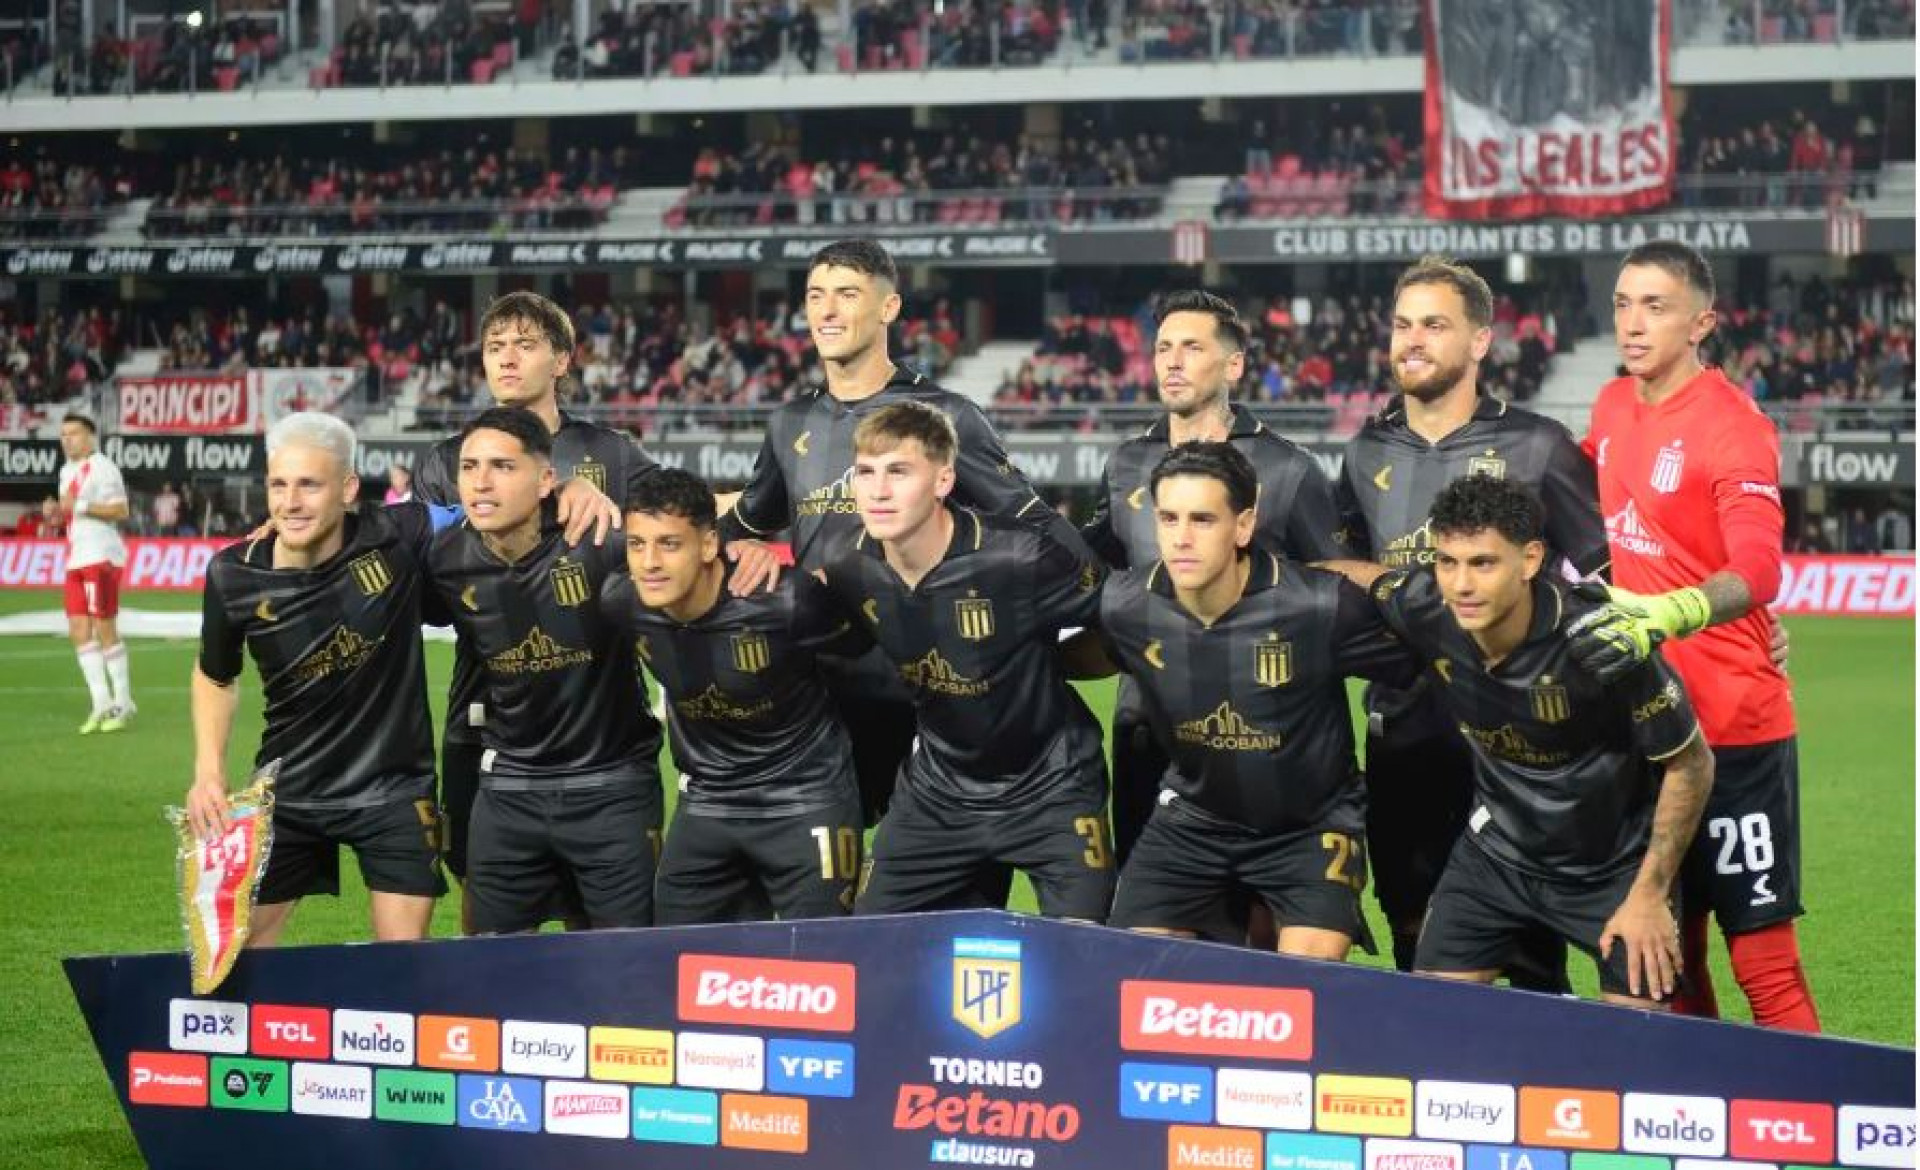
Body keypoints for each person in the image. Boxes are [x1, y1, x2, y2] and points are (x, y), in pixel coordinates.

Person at [722, 238, 1087, 832]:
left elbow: (1036, 528)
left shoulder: (945, 415)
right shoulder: (790, 421)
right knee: (834, 899)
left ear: (889, 308)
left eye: (847, 295)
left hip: (931, 697)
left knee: (925, 899)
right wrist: (729, 543)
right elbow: (744, 520)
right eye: (816, 296)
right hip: (825, 696)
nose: (827, 311)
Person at [1337, 474, 1714, 1008]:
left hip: (1611, 870)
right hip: (1495, 856)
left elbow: (1691, 764)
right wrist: (1265, 577)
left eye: (1483, 563)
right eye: (1447, 562)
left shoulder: (1600, 641)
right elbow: (1362, 576)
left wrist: (1649, 894)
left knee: (1637, 1057)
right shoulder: (1429, 605)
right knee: (1430, 1023)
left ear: (1531, 559)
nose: (1461, 585)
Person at [1569, 240, 1821, 1032]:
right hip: (1648, 728)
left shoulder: (1733, 426)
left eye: (1656, 306)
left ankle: (1813, 1132)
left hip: (1736, 725)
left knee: (1764, 962)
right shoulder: (1612, 407)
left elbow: (1759, 565)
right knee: (1667, 957)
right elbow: (1576, 506)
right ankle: (1704, 1126)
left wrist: (1671, 612)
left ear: (1701, 321)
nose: (1633, 323)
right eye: (1622, 303)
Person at [1336, 256, 1607, 985]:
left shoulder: (1539, 445)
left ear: (1481, 342)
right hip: (1403, 734)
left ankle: (1540, 1089)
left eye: (1434, 324)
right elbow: (1338, 582)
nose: (1411, 340)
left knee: (1528, 946)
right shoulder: (1364, 453)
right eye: (1401, 324)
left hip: (1520, 741)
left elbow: (1613, 577)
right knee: (1413, 928)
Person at [1091, 443, 1412, 956]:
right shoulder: (1126, 606)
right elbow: (1085, 655)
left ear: (1243, 526)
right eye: (1168, 518)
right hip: (1191, 821)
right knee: (1130, 972)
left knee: (1304, 985)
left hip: (1309, 829)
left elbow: (1423, 660)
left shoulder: (1319, 604)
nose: (1181, 539)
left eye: (1202, 519)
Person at [1084, 289, 1353, 871]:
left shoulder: (1286, 468)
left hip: (1264, 732)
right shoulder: (1127, 463)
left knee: (1253, 930)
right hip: (1146, 720)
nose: (1172, 361)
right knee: (1145, 924)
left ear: (1232, 365)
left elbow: (1333, 586)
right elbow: (1095, 572)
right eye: (1162, 348)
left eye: (1191, 347)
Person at [820, 402, 1113, 920]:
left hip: (1052, 786)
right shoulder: (849, 563)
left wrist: (1049, 661)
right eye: (866, 472)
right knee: (866, 948)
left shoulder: (1019, 557)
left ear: (943, 480)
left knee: (1084, 956)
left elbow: (1119, 617)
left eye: (899, 471)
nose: (878, 490)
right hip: (938, 792)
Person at [410, 291, 648, 923]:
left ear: (562, 359)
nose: (507, 359)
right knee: (480, 887)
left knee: (596, 914)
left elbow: (670, 525)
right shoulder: (443, 462)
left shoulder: (614, 452)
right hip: (485, 716)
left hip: (599, 724)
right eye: (494, 347)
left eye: (524, 344)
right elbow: (452, 550)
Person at [183, 413, 444, 945]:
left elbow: (497, 503)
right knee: (237, 954)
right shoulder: (233, 574)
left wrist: (576, 488)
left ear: (348, 488)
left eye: (309, 484)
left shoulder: (399, 534)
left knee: (403, 961)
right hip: (288, 789)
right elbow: (214, 676)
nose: (290, 502)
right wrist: (208, 771)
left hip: (393, 790)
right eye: (278, 484)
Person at [604, 468, 869, 924]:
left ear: (709, 545)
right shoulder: (623, 602)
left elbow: (864, 652)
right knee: (674, 961)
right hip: (707, 802)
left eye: (669, 544)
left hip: (804, 798)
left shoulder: (786, 600)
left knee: (819, 968)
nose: (649, 562)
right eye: (636, 544)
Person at [57, 414, 135, 734]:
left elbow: (121, 510)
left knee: (104, 627)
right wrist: (57, 511)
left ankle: (123, 701)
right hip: (76, 556)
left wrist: (82, 506)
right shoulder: (66, 471)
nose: (67, 440)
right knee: (78, 629)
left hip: (101, 556)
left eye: (74, 433)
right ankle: (100, 701)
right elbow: (73, 511)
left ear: (90, 436)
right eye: (63, 434)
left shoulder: (103, 467)